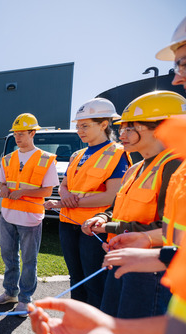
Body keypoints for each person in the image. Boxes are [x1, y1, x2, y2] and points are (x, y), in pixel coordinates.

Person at [29, 17, 186, 334]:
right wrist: (110, 223)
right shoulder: (140, 166)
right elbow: (137, 215)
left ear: (162, 126)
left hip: (151, 272)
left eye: (131, 127)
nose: (124, 133)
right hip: (132, 255)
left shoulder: (173, 168)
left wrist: (144, 240)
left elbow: (165, 227)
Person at [44, 99, 128, 308]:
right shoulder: (77, 154)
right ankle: (78, 322)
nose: (80, 131)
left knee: (93, 281)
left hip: (93, 229)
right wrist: (65, 197)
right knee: (76, 278)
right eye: (78, 126)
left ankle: (95, 328)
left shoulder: (117, 153)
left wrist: (72, 201)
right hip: (67, 223)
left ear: (104, 124)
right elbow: (64, 186)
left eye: (85, 125)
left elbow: (111, 196)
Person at [0, 114, 58, 316]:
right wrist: (3, 187)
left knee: (29, 261)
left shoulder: (46, 159)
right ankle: (10, 292)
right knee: (9, 257)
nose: (17, 137)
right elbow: (2, 182)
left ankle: (26, 299)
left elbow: (47, 191)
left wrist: (24, 192)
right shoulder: (8, 158)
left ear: (32, 133)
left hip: (30, 217)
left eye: (21, 134)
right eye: (16, 134)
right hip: (8, 216)